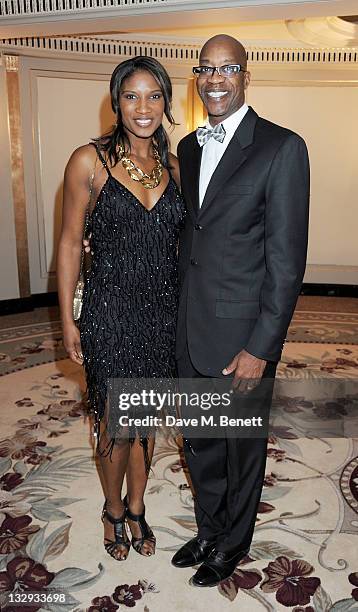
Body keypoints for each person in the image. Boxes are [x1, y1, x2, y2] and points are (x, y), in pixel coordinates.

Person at [171, 34, 310, 587]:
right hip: (190, 324)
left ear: (246, 76)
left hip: (243, 334)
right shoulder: (187, 147)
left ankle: (233, 544)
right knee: (200, 440)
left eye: (227, 69)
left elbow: (286, 261)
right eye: (206, 69)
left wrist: (262, 346)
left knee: (240, 449)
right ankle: (209, 529)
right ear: (197, 77)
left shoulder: (281, 147)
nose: (215, 79)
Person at [57, 57, 185, 562]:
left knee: (146, 419)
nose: (143, 107)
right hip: (109, 313)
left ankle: (137, 507)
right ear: (116, 102)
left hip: (161, 314)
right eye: (132, 96)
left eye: (154, 96)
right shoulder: (88, 161)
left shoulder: (175, 167)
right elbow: (69, 244)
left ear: (166, 103)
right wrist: (68, 317)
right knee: (115, 423)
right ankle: (112, 510)